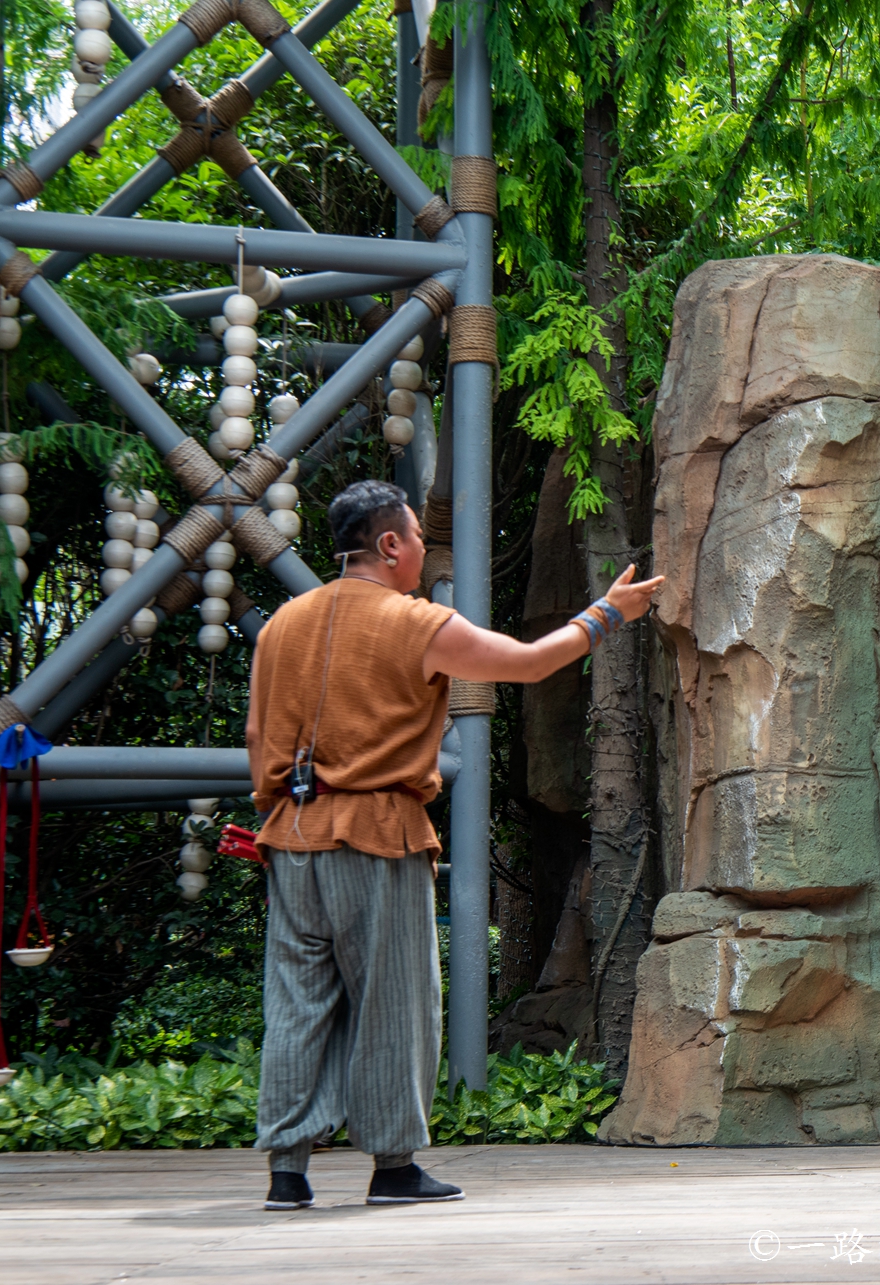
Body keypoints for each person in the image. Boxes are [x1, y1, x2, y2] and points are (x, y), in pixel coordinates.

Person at [244, 479, 663, 1210]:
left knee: (296, 1002)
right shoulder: (415, 622)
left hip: (292, 835)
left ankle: (288, 1170)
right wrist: (607, 614)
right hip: (377, 835)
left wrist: (280, 813)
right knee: (394, 1000)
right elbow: (528, 662)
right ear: (389, 544)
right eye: (413, 540)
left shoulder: (283, 623)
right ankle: (394, 1166)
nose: (418, 558)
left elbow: (257, 738)